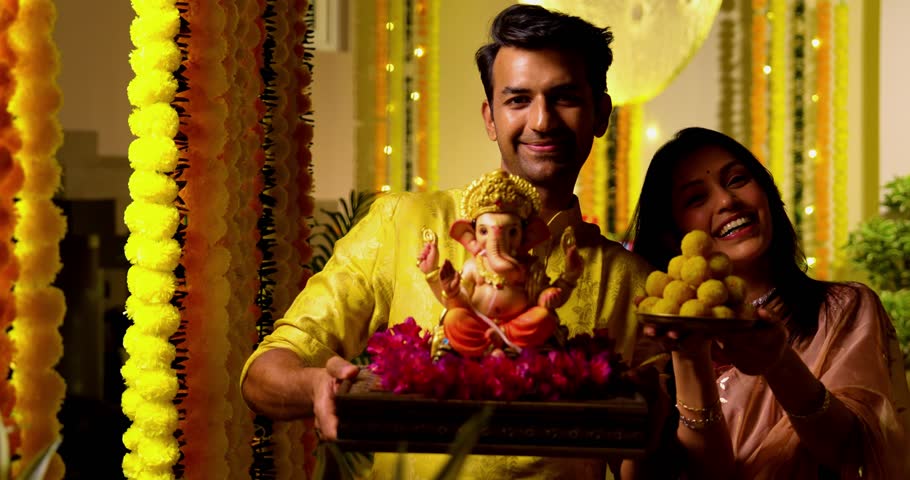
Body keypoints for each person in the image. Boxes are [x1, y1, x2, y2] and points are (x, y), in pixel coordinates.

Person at [242, 4, 657, 479]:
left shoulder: (633, 282)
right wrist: (314, 385)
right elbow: (264, 374)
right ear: (490, 117)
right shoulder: (402, 222)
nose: (542, 121)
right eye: (518, 100)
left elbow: (659, 456)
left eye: (564, 98)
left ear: (600, 113)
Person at [625, 127, 910, 478]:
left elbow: (857, 451)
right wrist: (689, 356)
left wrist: (779, 363)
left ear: (767, 193)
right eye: (696, 199)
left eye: (738, 179)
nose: (728, 201)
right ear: (672, 235)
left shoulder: (843, 309)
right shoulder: (655, 342)